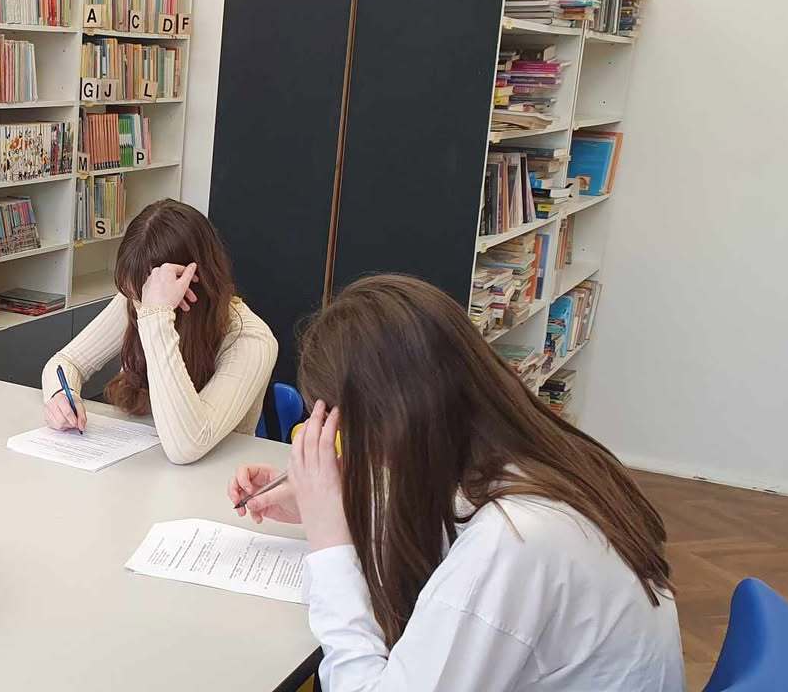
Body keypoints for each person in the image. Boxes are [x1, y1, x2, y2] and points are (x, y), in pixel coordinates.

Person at [229, 275, 683, 691]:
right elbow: (448, 520)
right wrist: (343, 504)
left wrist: (330, 543)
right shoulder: (526, 456)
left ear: (388, 426)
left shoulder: (515, 538)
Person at [41, 199, 278, 464]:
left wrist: (157, 319)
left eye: (145, 298)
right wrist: (61, 396)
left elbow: (186, 447)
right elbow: (66, 362)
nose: (139, 305)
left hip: (212, 481)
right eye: (134, 296)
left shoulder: (251, 340)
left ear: (191, 283)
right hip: (140, 465)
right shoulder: (140, 298)